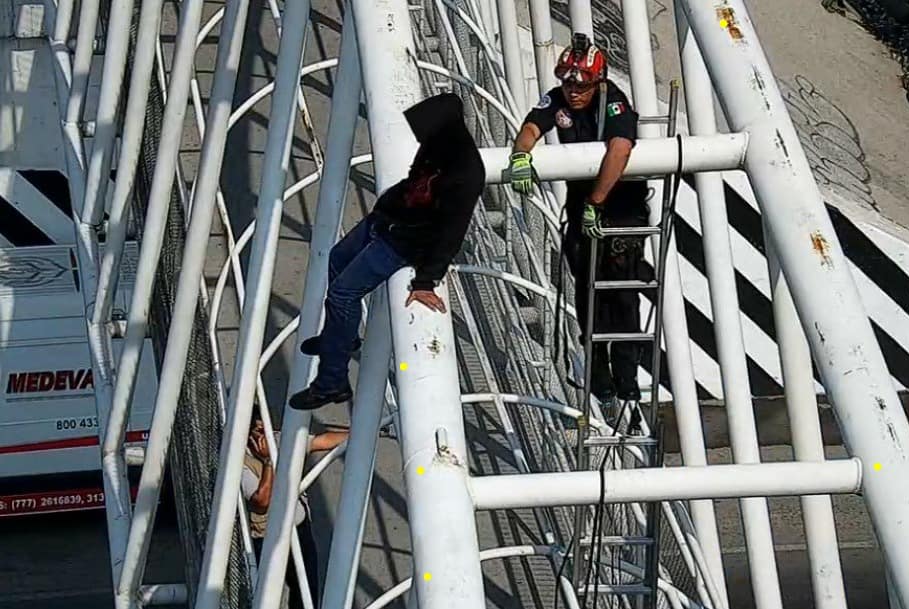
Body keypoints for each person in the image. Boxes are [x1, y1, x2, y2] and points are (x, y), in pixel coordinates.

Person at [290, 92, 486, 411]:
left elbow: (451, 234)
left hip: (405, 243)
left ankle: (331, 383)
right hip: (389, 221)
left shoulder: (465, 174)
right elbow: (413, 181)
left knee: (342, 295)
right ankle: (340, 339)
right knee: (338, 258)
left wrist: (424, 282)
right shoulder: (441, 144)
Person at [506, 32, 651, 404]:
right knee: (587, 291)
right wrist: (521, 153)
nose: (573, 90)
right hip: (583, 208)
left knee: (621, 295)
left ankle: (626, 376)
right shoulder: (559, 100)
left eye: (581, 84)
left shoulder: (613, 104)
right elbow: (531, 126)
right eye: (567, 82)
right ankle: (599, 377)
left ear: (597, 81)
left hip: (619, 211)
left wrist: (596, 202)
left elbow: (619, 149)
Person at [242, 417, 348, 609]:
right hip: (266, 538)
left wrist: (357, 436)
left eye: (263, 428)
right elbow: (262, 500)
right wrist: (268, 460)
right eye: (258, 431)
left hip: (298, 530)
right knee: (263, 593)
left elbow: (321, 441)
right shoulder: (241, 463)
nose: (264, 435)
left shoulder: (280, 439)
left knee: (306, 587)